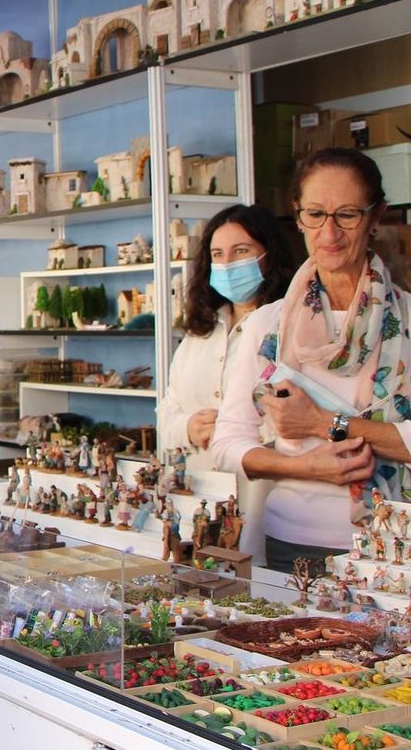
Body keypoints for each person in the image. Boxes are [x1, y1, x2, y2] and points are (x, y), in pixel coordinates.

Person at [211, 148, 411, 575]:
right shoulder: (267, 328)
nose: (330, 233)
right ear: (298, 216)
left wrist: (318, 423)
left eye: (347, 215)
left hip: (402, 544)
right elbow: (227, 444)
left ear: (376, 215)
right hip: (295, 545)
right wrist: (302, 466)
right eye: (314, 214)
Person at [159, 204, 296, 562]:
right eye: (218, 255)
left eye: (241, 252)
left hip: (264, 495)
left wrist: (240, 428)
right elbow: (167, 409)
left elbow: (302, 413)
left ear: (268, 256)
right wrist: (186, 426)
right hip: (201, 492)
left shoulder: (289, 326)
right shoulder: (200, 332)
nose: (228, 264)